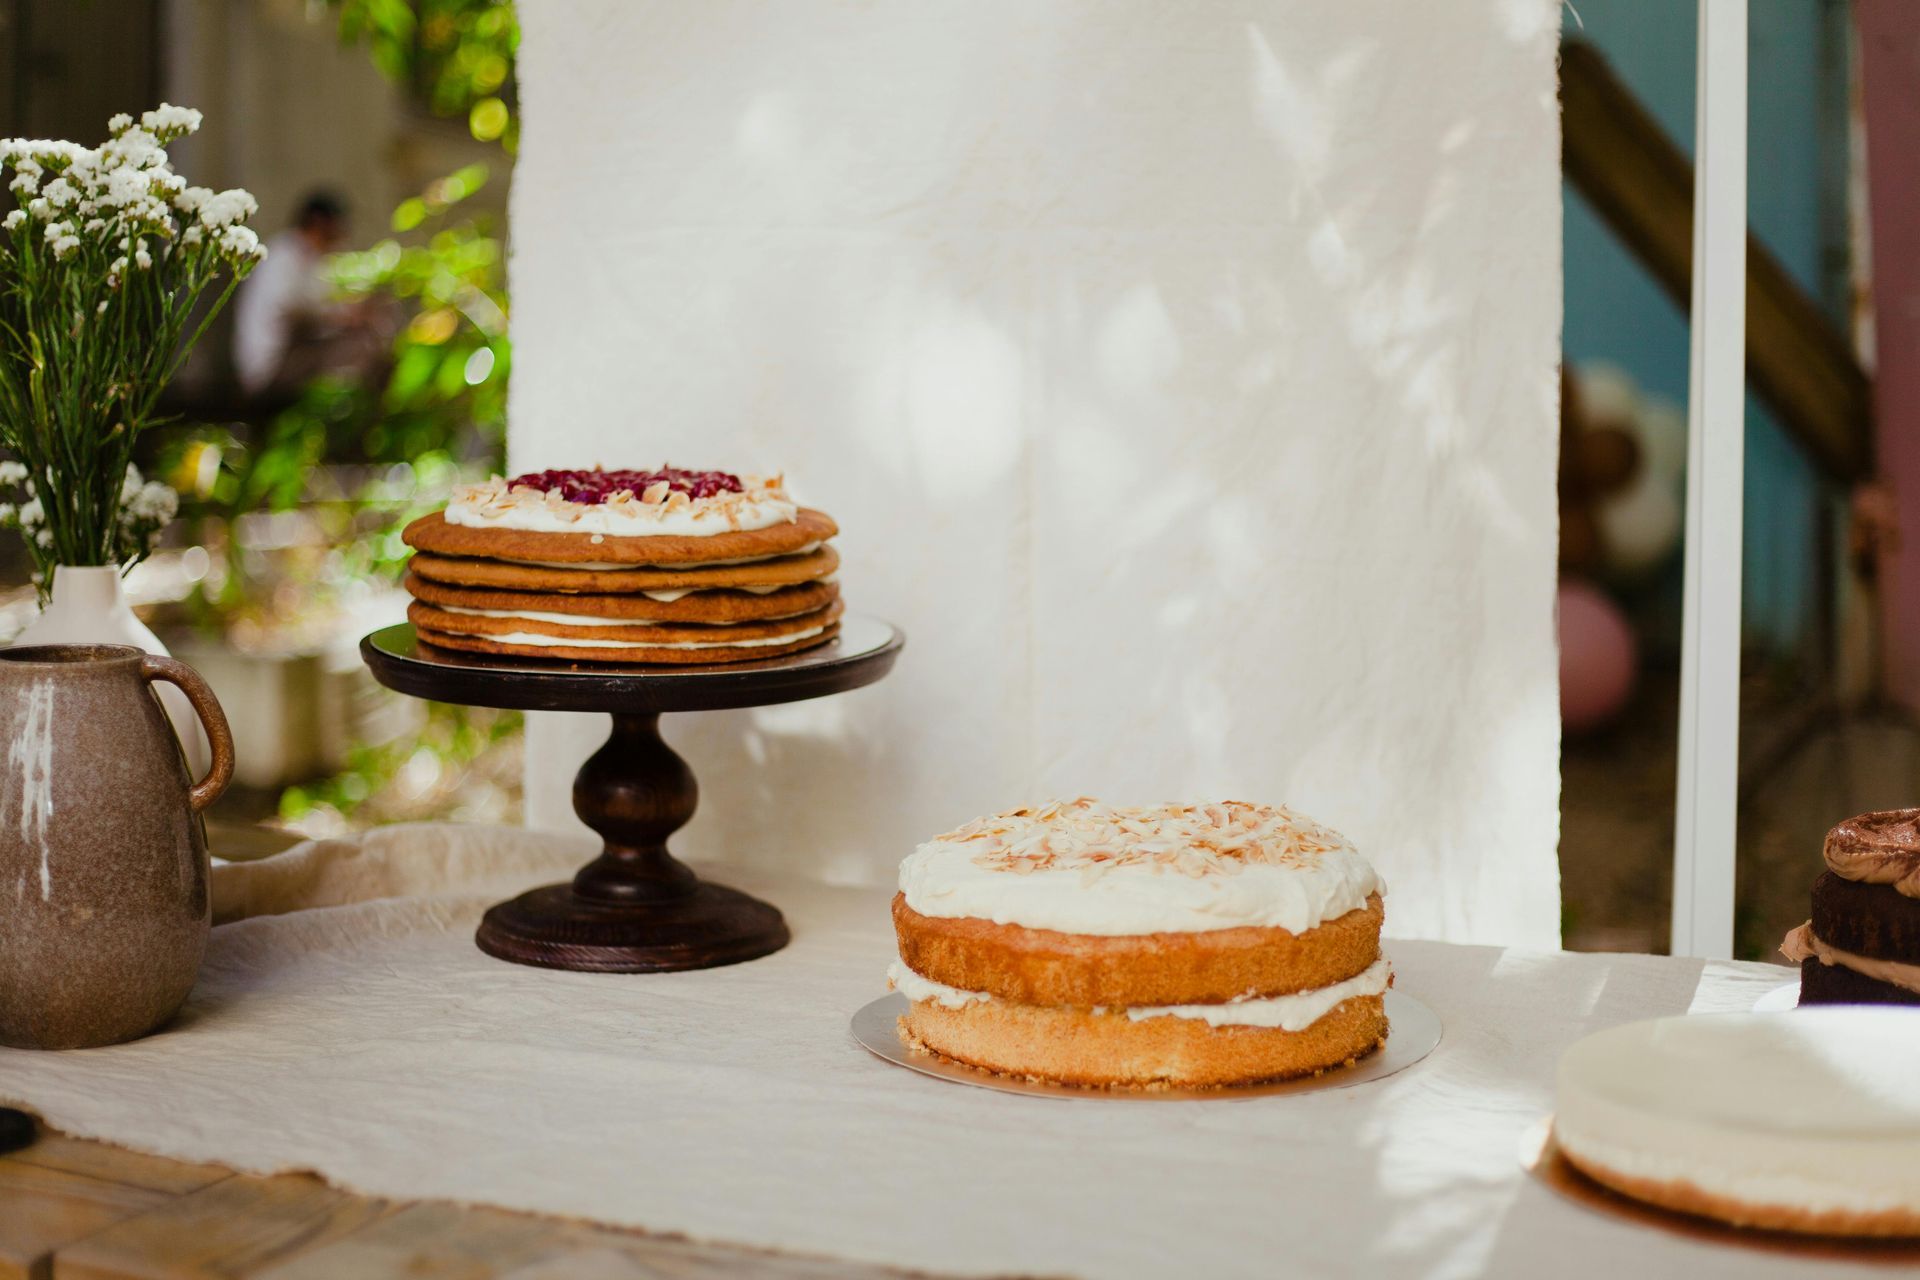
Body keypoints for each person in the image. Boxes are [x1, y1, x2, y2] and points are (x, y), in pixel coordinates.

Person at [231, 190, 389, 401]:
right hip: (270, 369)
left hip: (296, 357)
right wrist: (341, 317)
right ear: (319, 222)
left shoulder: (315, 258)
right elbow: (289, 307)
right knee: (361, 349)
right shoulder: (283, 254)